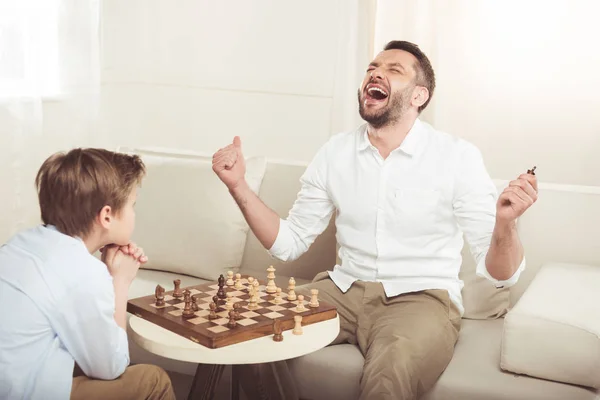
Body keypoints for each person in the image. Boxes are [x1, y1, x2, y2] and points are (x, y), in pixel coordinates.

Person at [212, 40, 538, 400]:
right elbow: (290, 243)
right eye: (372, 68)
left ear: (418, 96)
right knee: (246, 332)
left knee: (388, 377)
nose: (375, 73)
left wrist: (505, 224)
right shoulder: (335, 152)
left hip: (421, 300)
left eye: (393, 70)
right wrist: (238, 185)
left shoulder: (457, 157)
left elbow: (500, 274)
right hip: (342, 290)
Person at [0, 148, 176, 400]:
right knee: (153, 381)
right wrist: (120, 281)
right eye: (132, 205)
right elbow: (111, 367)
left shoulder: (19, 244)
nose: (134, 213)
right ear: (106, 216)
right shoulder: (83, 273)